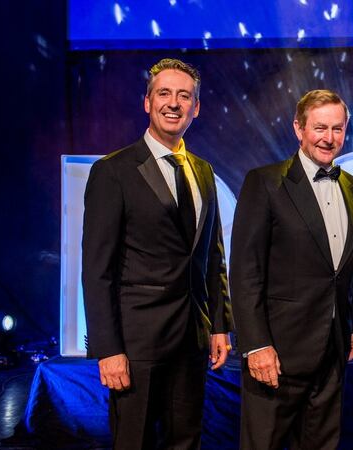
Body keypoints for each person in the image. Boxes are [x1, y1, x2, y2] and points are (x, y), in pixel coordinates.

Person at [82, 58, 232, 449]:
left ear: (196, 107)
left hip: (192, 341)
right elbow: (97, 270)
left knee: (186, 440)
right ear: (147, 102)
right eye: (164, 93)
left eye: (184, 96)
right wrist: (108, 349)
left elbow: (212, 259)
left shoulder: (203, 171)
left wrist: (218, 324)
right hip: (136, 345)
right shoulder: (113, 171)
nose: (174, 103)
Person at [230, 89, 353, 449]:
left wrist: (352, 326)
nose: (329, 138)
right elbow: (245, 271)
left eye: (337, 129)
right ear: (299, 128)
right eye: (320, 128)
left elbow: (346, 269)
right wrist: (256, 344)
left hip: (332, 351)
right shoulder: (265, 182)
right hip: (276, 352)